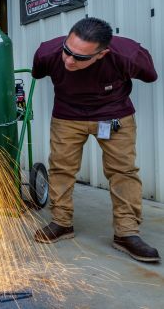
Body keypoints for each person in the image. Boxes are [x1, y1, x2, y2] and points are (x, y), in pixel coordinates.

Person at [32, 17, 160, 263]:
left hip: (113, 116)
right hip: (67, 115)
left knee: (123, 171)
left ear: (102, 54)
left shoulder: (129, 55)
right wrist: (68, 57)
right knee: (61, 169)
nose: (69, 60)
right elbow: (38, 73)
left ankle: (126, 233)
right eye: (67, 51)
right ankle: (61, 223)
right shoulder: (48, 52)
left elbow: (150, 75)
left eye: (80, 58)